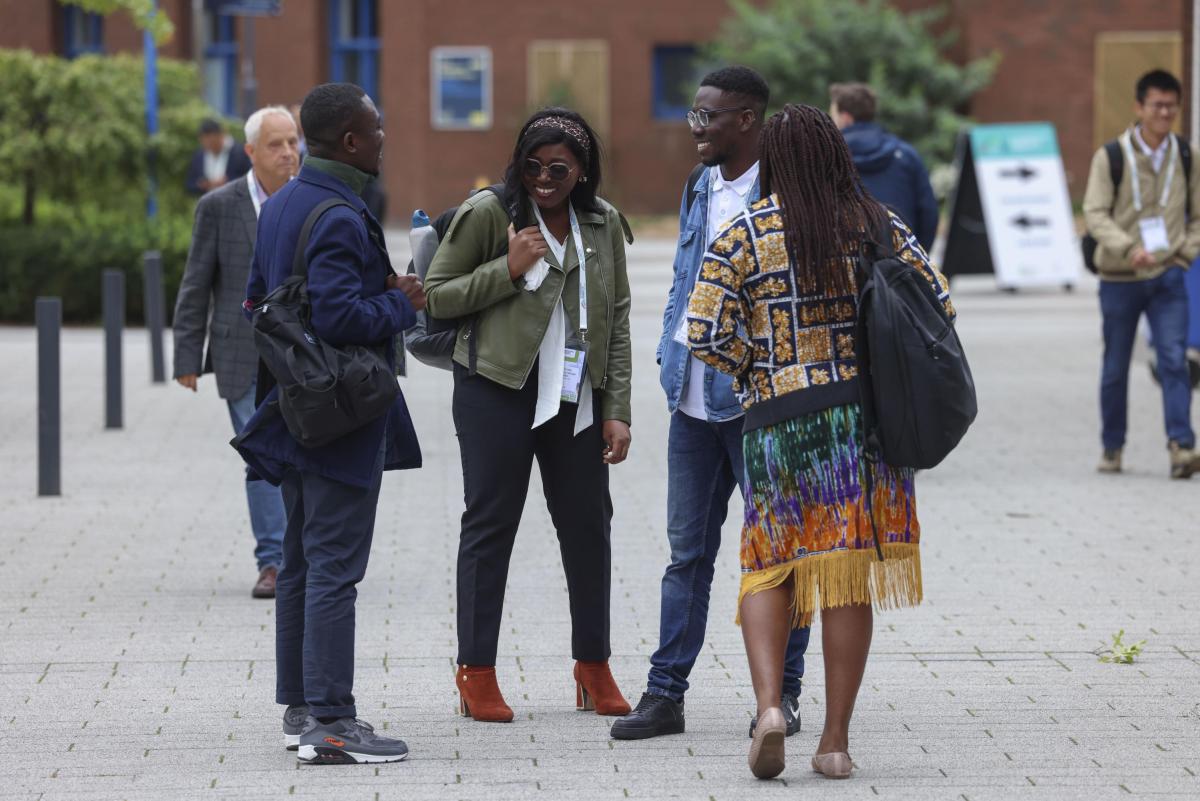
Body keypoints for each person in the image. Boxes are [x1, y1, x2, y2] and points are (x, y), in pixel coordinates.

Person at [686, 103, 949, 780]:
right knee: (843, 574)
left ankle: (771, 706)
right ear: (838, 155)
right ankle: (833, 740)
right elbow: (940, 303)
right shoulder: (877, 224)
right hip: (862, 426)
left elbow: (704, 330)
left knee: (769, 564)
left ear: (772, 161)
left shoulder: (746, 232)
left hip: (778, 422)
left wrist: (756, 367)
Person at [610, 66, 810, 742]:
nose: (695, 127)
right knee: (685, 556)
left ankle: (780, 696)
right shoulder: (699, 185)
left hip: (759, 406)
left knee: (778, 553)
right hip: (690, 404)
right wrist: (671, 349)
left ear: (747, 118)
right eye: (695, 114)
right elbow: (684, 276)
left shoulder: (786, 190)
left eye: (709, 117)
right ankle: (665, 694)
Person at [234, 82, 426, 764]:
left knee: (301, 560)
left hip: (293, 404)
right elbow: (343, 317)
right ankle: (334, 721)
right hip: (340, 412)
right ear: (350, 139)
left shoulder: (283, 202)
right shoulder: (343, 215)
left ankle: (301, 708)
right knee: (334, 567)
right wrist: (401, 303)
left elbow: (258, 300)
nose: (382, 138)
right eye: (374, 129)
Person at [424, 107, 633, 724]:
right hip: (495, 388)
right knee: (490, 527)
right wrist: (506, 268)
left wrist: (616, 409)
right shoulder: (490, 213)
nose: (544, 177)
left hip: (575, 399)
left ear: (582, 170)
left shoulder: (602, 222)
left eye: (559, 168)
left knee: (588, 529)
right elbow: (437, 294)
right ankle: (476, 672)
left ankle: (593, 667)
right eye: (532, 166)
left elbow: (617, 321)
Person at [173, 106, 300, 599]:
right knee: (262, 458)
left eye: (293, 142)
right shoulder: (219, 206)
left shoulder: (311, 201)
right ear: (249, 152)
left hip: (299, 356)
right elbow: (196, 282)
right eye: (276, 144)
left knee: (297, 458)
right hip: (239, 353)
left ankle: (300, 553)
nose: (288, 152)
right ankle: (273, 562)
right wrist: (187, 356)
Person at [1083, 68, 1200, 479]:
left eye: (1172, 106)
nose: (1164, 113)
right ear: (1139, 107)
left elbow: (1198, 216)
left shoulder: (1186, 155)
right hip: (1119, 278)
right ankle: (1112, 446)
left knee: (1174, 360)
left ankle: (1182, 447)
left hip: (1168, 278)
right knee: (1115, 366)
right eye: (1157, 105)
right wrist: (1127, 248)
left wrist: (1183, 255)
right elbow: (1094, 213)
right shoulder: (1111, 156)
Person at [830, 82, 939, 252]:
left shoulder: (828, 159)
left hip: (848, 262)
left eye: (833, 115)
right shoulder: (906, 155)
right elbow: (928, 212)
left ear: (845, 117)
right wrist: (918, 255)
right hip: (901, 262)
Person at [185, 118, 252, 197]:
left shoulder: (239, 152)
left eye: (211, 141)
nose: (208, 144)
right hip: (209, 203)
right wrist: (203, 185)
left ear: (220, 135)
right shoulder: (200, 155)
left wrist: (228, 182)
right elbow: (190, 184)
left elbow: (250, 178)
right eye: (204, 140)